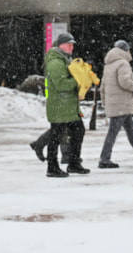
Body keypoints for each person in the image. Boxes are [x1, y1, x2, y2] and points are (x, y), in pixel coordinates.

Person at [97, 40, 133, 169]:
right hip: (121, 103)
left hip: (116, 103)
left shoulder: (109, 64)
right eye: (129, 49)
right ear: (125, 50)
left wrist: (105, 102)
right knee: (113, 132)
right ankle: (104, 159)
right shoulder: (123, 63)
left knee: (130, 131)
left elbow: (103, 86)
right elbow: (124, 82)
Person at [43, 32, 90, 177]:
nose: (71, 47)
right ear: (60, 45)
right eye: (68, 44)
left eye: (72, 45)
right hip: (59, 106)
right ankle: (52, 167)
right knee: (56, 137)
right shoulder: (56, 62)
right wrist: (78, 81)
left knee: (78, 131)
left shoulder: (65, 60)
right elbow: (61, 85)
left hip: (68, 106)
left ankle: (74, 163)